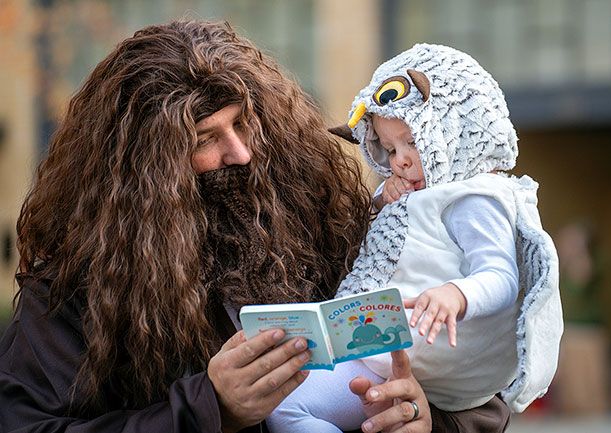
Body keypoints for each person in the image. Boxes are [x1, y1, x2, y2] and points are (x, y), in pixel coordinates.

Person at [0, 20, 435, 433]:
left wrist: (420, 415)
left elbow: (474, 374)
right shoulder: (74, 292)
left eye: (243, 122)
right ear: (142, 172)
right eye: (205, 139)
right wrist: (210, 409)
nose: (241, 153)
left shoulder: (334, 226)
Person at [267, 43, 564, 433]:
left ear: (454, 127)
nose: (400, 160)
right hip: (388, 345)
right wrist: (382, 203)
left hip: (401, 350)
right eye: (389, 149)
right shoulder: (417, 193)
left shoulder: (475, 197)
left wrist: (456, 294)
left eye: (412, 141)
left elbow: (502, 277)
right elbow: (392, 246)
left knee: (285, 409)